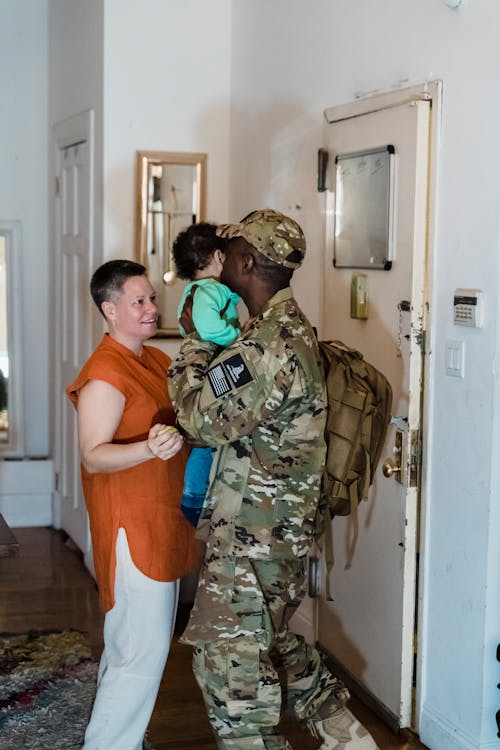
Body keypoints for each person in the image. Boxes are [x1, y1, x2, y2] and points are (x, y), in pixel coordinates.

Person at [168, 209, 379, 750]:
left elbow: (198, 416)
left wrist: (192, 340)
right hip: (273, 533)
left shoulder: (267, 347)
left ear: (244, 261)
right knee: (272, 641)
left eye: (228, 251)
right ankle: (346, 736)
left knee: (233, 678)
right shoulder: (279, 330)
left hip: (252, 538)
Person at [66, 259, 197, 750]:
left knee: (134, 648)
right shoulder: (104, 373)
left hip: (160, 519)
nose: (150, 308)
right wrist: (147, 448)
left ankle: (119, 740)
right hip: (132, 526)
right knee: (139, 654)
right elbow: (93, 456)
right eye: (138, 301)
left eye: (151, 299)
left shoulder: (155, 361)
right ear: (110, 309)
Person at [172, 222, 240, 526]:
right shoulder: (210, 290)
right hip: (206, 366)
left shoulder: (196, 290)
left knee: (204, 439)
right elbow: (210, 327)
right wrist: (237, 336)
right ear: (218, 256)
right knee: (203, 440)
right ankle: (194, 498)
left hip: (197, 365)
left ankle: (196, 498)